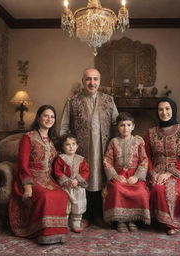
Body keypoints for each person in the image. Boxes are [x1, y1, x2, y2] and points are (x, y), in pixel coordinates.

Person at [60, 68, 118, 226]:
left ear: (100, 81)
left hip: (103, 149)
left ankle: (98, 214)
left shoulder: (109, 100)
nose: (92, 83)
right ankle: (84, 215)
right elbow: (64, 128)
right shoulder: (72, 101)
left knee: (99, 179)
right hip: (79, 151)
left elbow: (117, 124)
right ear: (82, 81)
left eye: (95, 79)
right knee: (82, 179)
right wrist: (67, 149)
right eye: (88, 79)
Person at [9, 105, 69, 244]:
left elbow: (57, 163)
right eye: (46, 115)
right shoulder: (28, 137)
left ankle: (57, 233)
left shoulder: (53, 140)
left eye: (52, 116)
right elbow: (22, 163)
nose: (49, 119)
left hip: (48, 179)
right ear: (38, 118)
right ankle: (43, 232)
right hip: (30, 178)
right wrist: (28, 186)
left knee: (62, 194)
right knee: (46, 195)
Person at [145, 98, 180, 235]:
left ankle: (173, 223)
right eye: (160, 109)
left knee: (178, 191)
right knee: (157, 187)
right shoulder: (150, 133)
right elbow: (146, 157)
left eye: (167, 109)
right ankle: (164, 221)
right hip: (156, 171)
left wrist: (169, 173)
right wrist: (152, 173)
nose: (164, 112)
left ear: (173, 110)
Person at [103, 112, 150, 232]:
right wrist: (114, 175)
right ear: (117, 127)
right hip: (119, 176)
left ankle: (132, 220)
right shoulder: (113, 142)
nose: (126, 128)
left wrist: (137, 176)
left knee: (140, 190)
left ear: (133, 126)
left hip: (134, 176)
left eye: (129, 125)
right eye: (122, 125)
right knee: (117, 189)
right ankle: (121, 220)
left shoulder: (138, 142)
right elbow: (107, 160)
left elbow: (144, 160)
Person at [54, 134, 89, 233]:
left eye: (73, 144)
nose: (71, 147)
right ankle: (64, 222)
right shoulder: (60, 159)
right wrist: (66, 181)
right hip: (66, 186)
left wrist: (77, 180)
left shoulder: (81, 159)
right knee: (66, 204)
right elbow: (58, 171)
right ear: (62, 147)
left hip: (77, 186)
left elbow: (85, 171)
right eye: (67, 144)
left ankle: (76, 221)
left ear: (77, 146)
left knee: (79, 203)